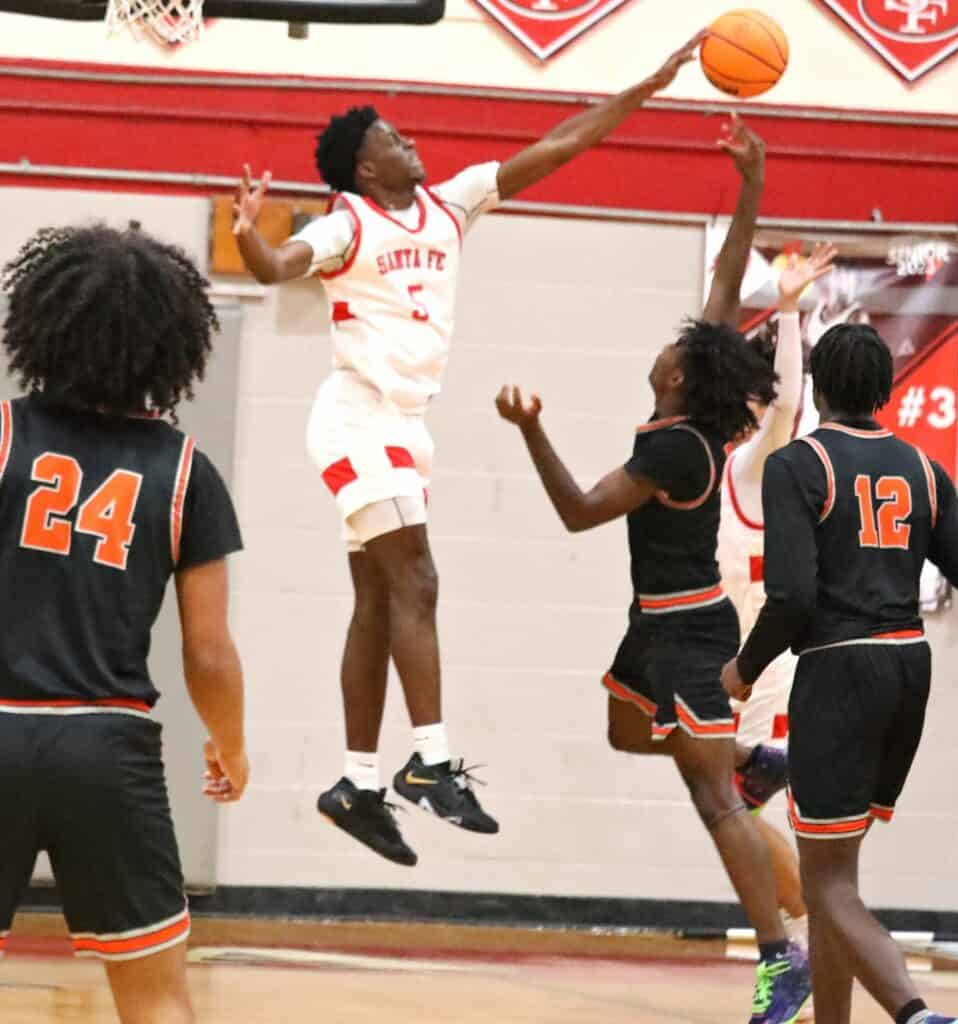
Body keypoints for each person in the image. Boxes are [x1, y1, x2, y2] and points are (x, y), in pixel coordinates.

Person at [232, 30, 709, 867]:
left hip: (404, 429)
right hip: (356, 419)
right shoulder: (350, 224)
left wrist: (651, 83)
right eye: (391, 139)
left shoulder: (451, 203)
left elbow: (560, 144)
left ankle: (355, 783)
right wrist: (249, 237)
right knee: (418, 577)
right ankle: (432, 761)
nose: (409, 142)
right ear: (367, 170)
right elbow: (278, 266)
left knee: (381, 602)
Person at [495, 117, 813, 1024]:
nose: (666, 348)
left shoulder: (676, 448)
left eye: (672, 352)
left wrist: (530, 430)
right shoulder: (697, 408)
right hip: (658, 625)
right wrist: (752, 181)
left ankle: (777, 960)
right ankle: (755, 758)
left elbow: (577, 511)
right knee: (627, 735)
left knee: (710, 801)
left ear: (676, 379)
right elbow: (724, 281)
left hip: (693, 633)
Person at [722, 322, 958, 1024]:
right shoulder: (920, 468)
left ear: (818, 386)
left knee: (826, 888)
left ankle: (917, 1016)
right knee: (836, 875)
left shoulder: (801, 464)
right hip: (905, 672)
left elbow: (791, 599)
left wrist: (743, 668)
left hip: (838, 671)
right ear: (887, 391)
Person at [0, 225, 248, 1024]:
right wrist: (231, 746)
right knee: (156, 1004)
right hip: (108, 750)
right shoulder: (184, 472)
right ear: (170, 347)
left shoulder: (3, 433)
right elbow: (207, 653)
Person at [722, 243, 837, 955]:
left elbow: (789, 402)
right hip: (743, 676)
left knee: (730, 812)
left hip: (771, 683)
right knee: (731, 815)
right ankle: (807, 938)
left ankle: (804, 942)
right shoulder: (721, 467)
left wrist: (789, 311)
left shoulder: (759, 465)